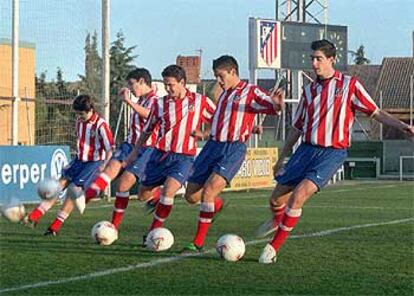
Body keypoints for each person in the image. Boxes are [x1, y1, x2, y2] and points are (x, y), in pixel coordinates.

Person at [257, 39, 414, 264]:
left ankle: (272, 249)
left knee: (299, 195)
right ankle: (279, 220)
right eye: (312, 58)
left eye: (319, 59)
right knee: (275, 200)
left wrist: (403, 126)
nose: (314, 63)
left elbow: (376, 112)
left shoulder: (350, 85)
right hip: (305, 150)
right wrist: (282, 157)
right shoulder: (309, 90)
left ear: (332, 60)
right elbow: (297, 127)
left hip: (332, 153)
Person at [181, 55, 285, 253]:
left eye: (221, 76)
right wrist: (205, 132)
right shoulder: (225, 94)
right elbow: (223, 120)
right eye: (216, 76)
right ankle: (216, 205)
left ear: (233, 72)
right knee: (191, 196)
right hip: (212, 146)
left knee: (209, 191)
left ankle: (197, 243)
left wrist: (278, 103)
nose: (219, 81)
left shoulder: (250, 91)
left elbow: (271, 104)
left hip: (232, 149)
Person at [123, 64, 216, 244]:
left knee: (168, 192)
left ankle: (152, 233)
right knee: (143, 195)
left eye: (171, 84)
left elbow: (219, 119)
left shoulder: (199, 101)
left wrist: (204, 134)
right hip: (160, 155)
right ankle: (214, 202)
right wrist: (134, 152)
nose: (167, 88)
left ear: (182, 83)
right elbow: (147, 130)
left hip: (183, 157)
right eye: (165, 84)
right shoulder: (160, 104)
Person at [23, 95, 115, 235]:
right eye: (77, 113)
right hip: (78, 160)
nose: (79, 116)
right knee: (58, 185)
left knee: (73, 191)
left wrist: (105, 165)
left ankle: (55, 226)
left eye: (81, 113)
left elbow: (110, 148)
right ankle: (35, 216)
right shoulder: (79, 121)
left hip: (93, 163)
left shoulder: (101, 125)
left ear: (90, 110)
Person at [83, 68, 161, 231]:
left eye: (132, 84)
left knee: (127, 187)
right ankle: (85, 200)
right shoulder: (140, 100)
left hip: (146, 148)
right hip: (129, 144)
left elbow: (149, 115)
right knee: (109, 171)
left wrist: (129, 101)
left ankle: (156, 197)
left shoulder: (156, 100)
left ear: (142, 81)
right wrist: (131, 99)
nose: (131, 88)